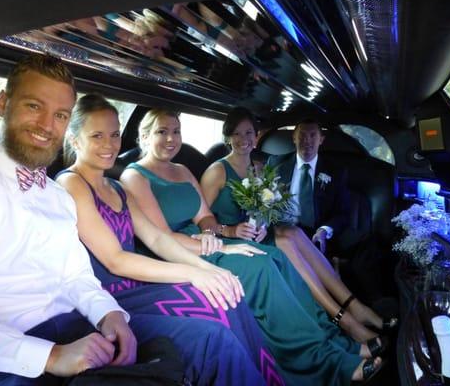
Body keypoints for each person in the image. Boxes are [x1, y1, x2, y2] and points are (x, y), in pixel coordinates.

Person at [120, 108, 383, 385]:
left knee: (276, 257)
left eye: (176, 131)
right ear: (145, 135)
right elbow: (161, 238)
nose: (171, 138)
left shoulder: (183, 171)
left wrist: (210, 232)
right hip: (177, 253)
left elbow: (204, 216)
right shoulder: (135, 177)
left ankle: (339, 342)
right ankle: (327, 361)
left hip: (206, 242)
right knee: (262, 267)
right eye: (162, 131)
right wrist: (218, 244)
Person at [0, 54, 137, 385]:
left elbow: (75, 275)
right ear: (3, 103)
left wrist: (110, 314)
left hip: (72, 328)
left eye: (59, 115)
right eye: (33, 106)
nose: (46, 125)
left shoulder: (57, 196)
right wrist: (51, 356)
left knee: (196, 343)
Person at [55, 93, 281, 385]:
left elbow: (158, 240)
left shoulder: (115, 186)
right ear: (75, 140)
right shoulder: (72, 182)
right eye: (96, 135)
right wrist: (194, 273)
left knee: (228, 296)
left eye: (114, 134)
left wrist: (211, 269)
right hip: (106, 296)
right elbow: (116, 259)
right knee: (214, 322)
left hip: (136, 285)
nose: (109, 144)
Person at [200, 107, 393, 344]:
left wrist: (261, 226)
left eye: (249, 133)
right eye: (237, 134)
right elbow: (201, 220)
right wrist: (229, 230)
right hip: (230, 239)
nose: (243, 140)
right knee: (284, 240)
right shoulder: (216, 171)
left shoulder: (259, 167)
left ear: (256, 135)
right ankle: (346, 321)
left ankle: (355, 307)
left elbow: (261, 211)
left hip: (256, 234)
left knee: (293, 232)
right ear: (228, 136)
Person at [267, 118, 398, 334]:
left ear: (321, 140)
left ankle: (368, 304)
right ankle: (341, 319)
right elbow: (267, 204)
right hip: (287, 230)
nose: (306, 141)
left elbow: (343, 213)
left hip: (321, 232)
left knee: (367, 243)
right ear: (293, 137)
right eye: (302, 135)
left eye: (312, 136)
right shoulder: (277, 165)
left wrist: (325, 230)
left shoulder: (336, 170)